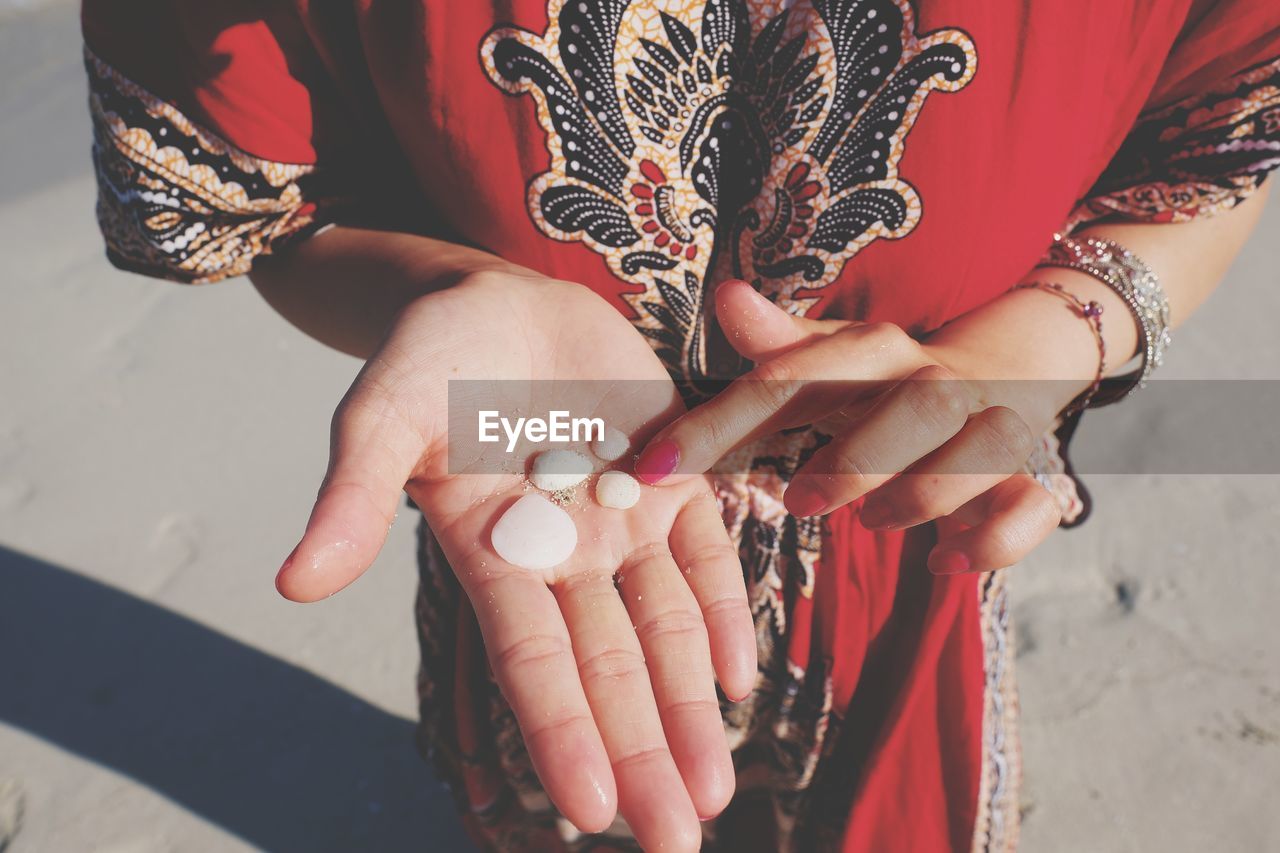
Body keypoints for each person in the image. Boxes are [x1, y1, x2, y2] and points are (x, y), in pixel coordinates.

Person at [81, 1, 1279, 850]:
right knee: (581, 798)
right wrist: (435, 290)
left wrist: (1039, 347)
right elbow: (265, 202)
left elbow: (1212, 151)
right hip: (524, 484)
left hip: (904, 518)